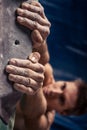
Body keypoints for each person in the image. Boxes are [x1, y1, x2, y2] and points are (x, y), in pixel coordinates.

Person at [5, 1, 87, 130]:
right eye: (62, 86)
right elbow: (43, 58)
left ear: (62, 112)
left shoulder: (44, 122)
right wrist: (40, 39)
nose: (54, 91)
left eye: (61, 99)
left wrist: (35, 87)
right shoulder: (47, 73)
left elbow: (33, 116)